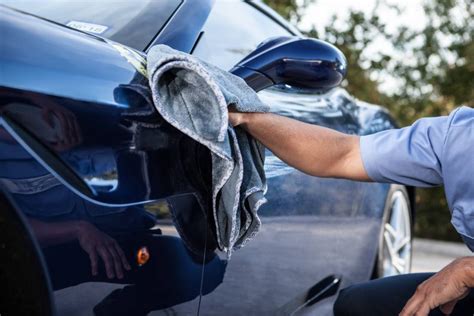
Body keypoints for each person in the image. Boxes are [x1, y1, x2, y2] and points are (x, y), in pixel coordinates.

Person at [228, 106, 474, 316]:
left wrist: (467, 270)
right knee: (359, 304)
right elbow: (344, 154)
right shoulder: (459, 136)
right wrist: (249, 118)